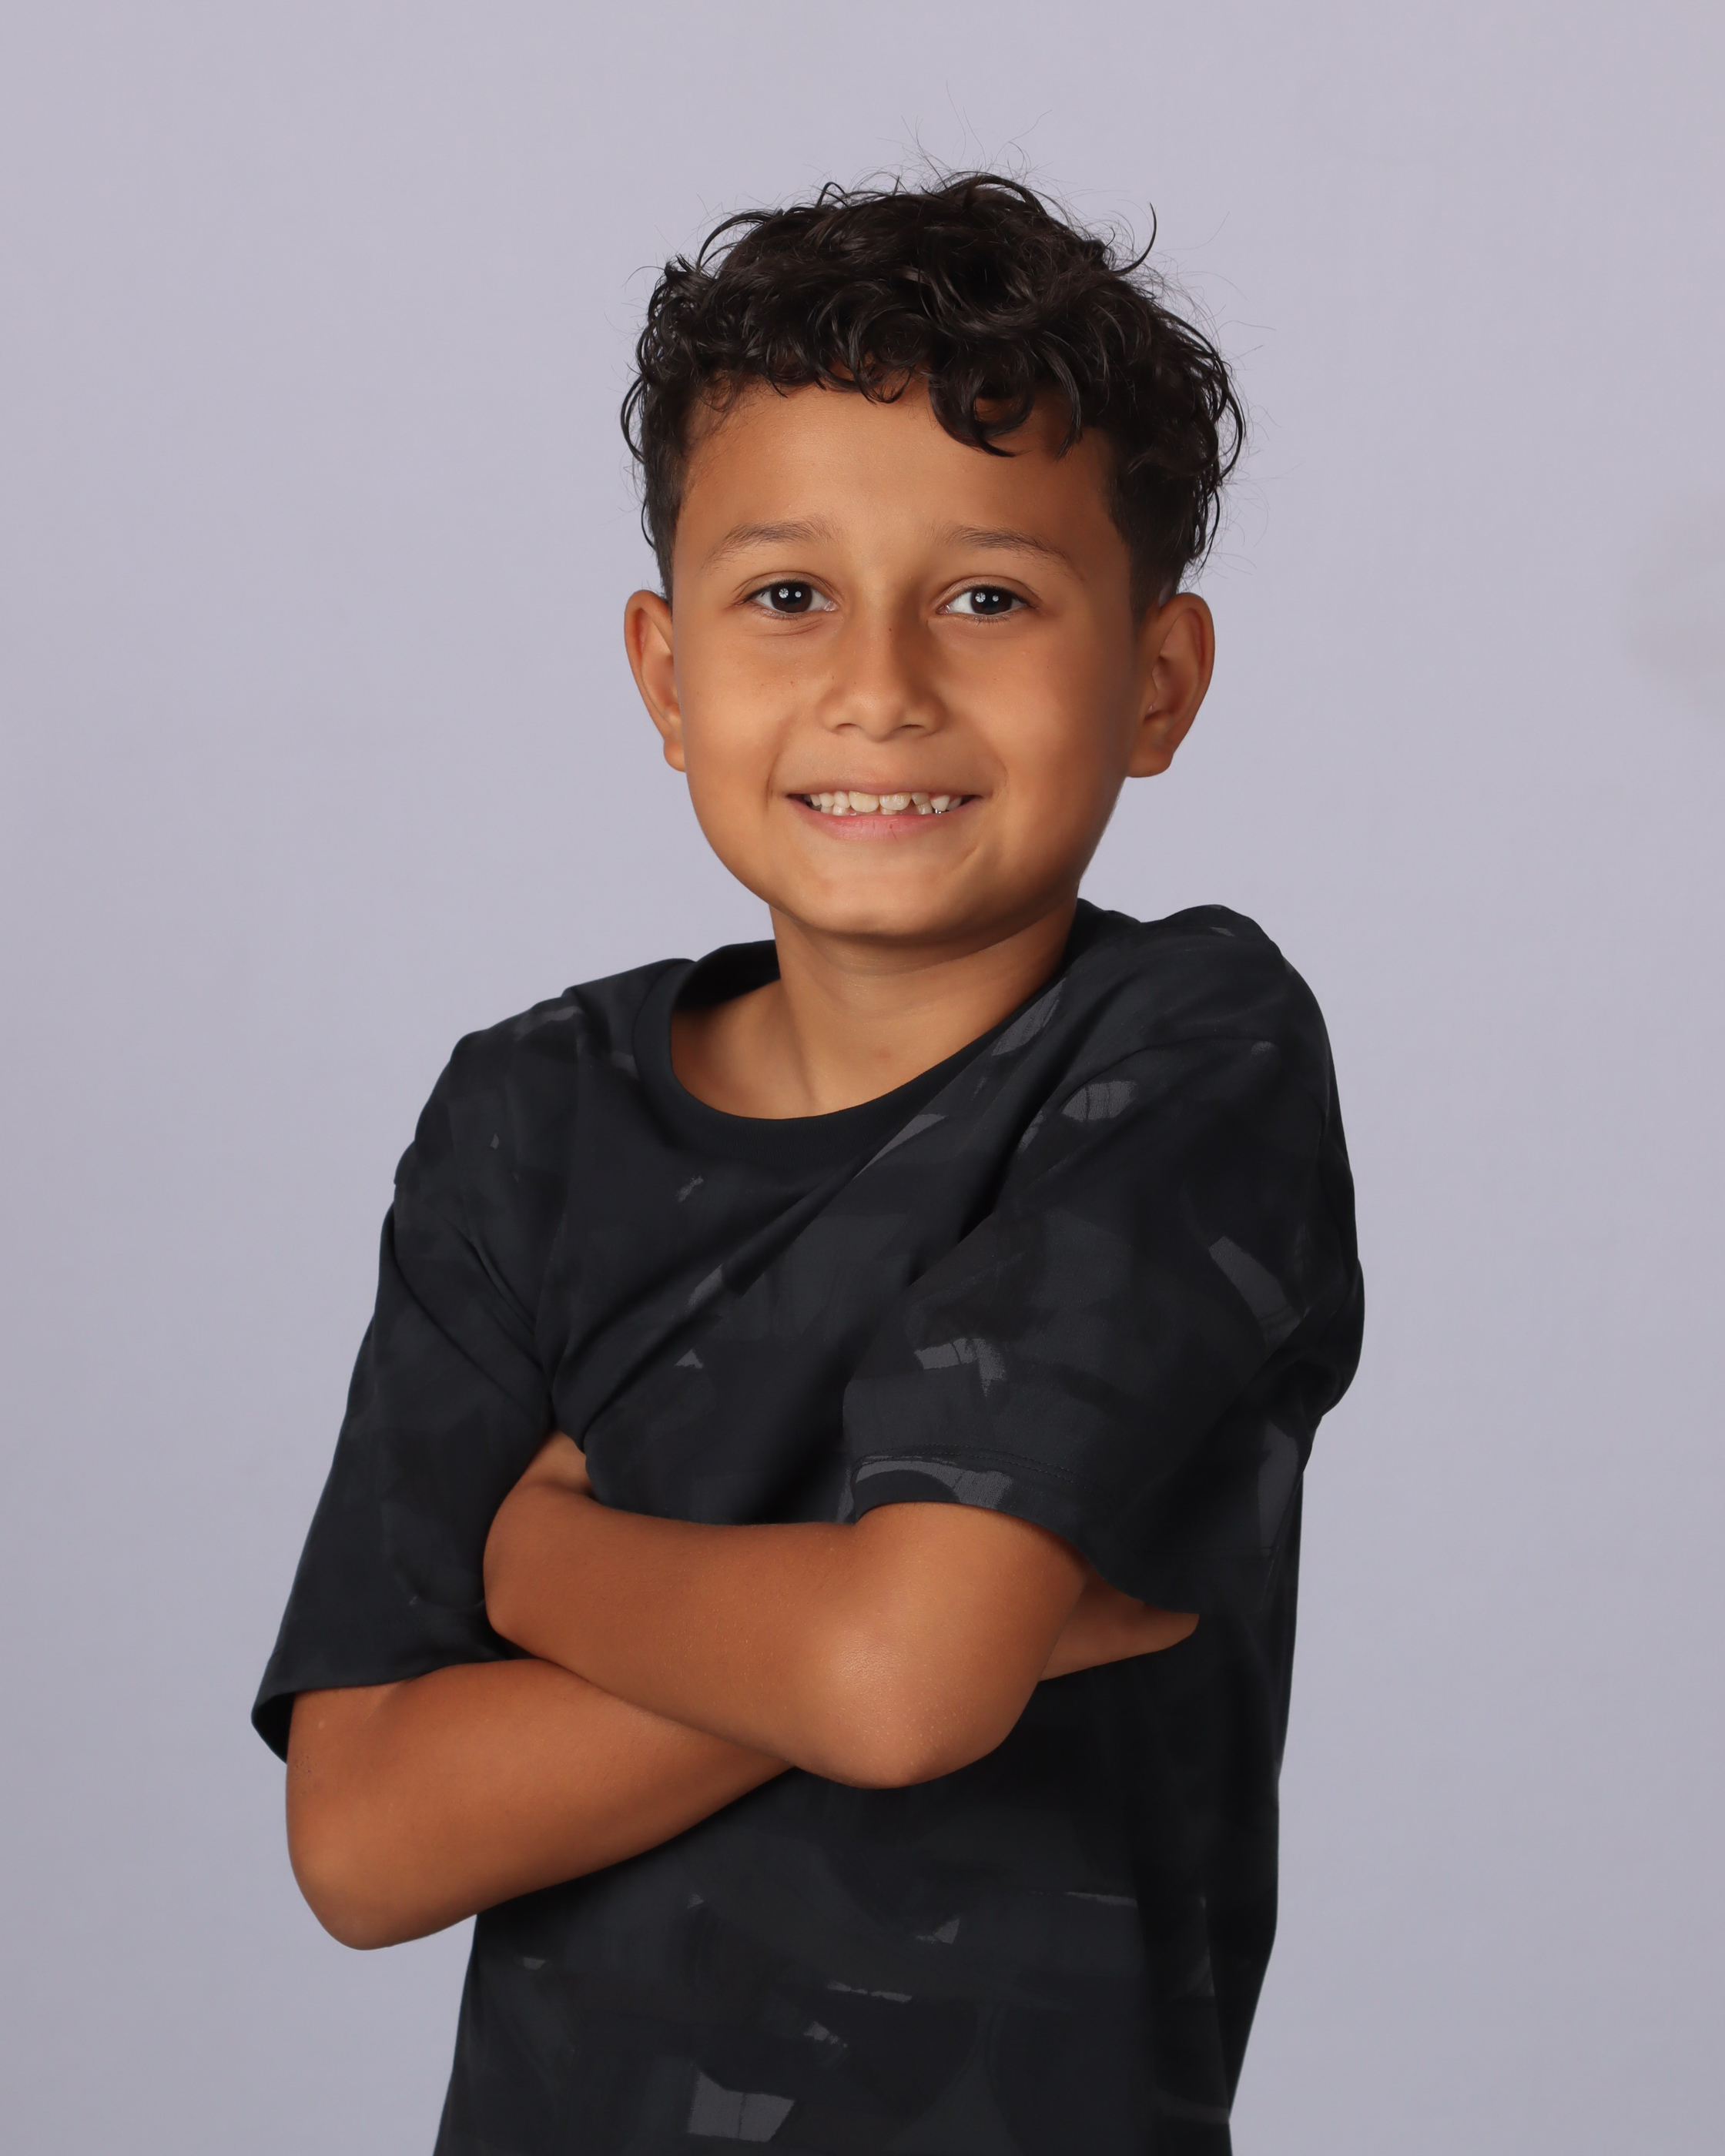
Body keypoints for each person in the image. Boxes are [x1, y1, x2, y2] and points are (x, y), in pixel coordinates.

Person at [255, 172, 1364, 2154]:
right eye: (786, 596)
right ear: (666, 676)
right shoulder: (525, 1117)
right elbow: (365, 1833)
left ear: (1158, 679)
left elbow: (902, 1686)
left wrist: (545, 1560)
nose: (880, 684)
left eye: (987, 597)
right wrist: (878, 1626)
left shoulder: (1187, 1054)